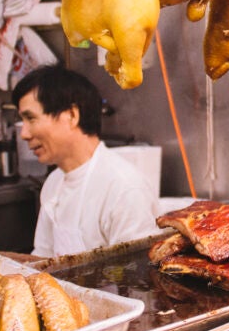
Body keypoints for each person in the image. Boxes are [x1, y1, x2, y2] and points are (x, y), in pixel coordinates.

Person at [12, 65, 160, 257]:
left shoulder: (123, 188)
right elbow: (42, 259)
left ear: (71, 116)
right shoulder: (54, 183)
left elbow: (136, 278)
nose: (24, 134)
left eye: (31, 119)